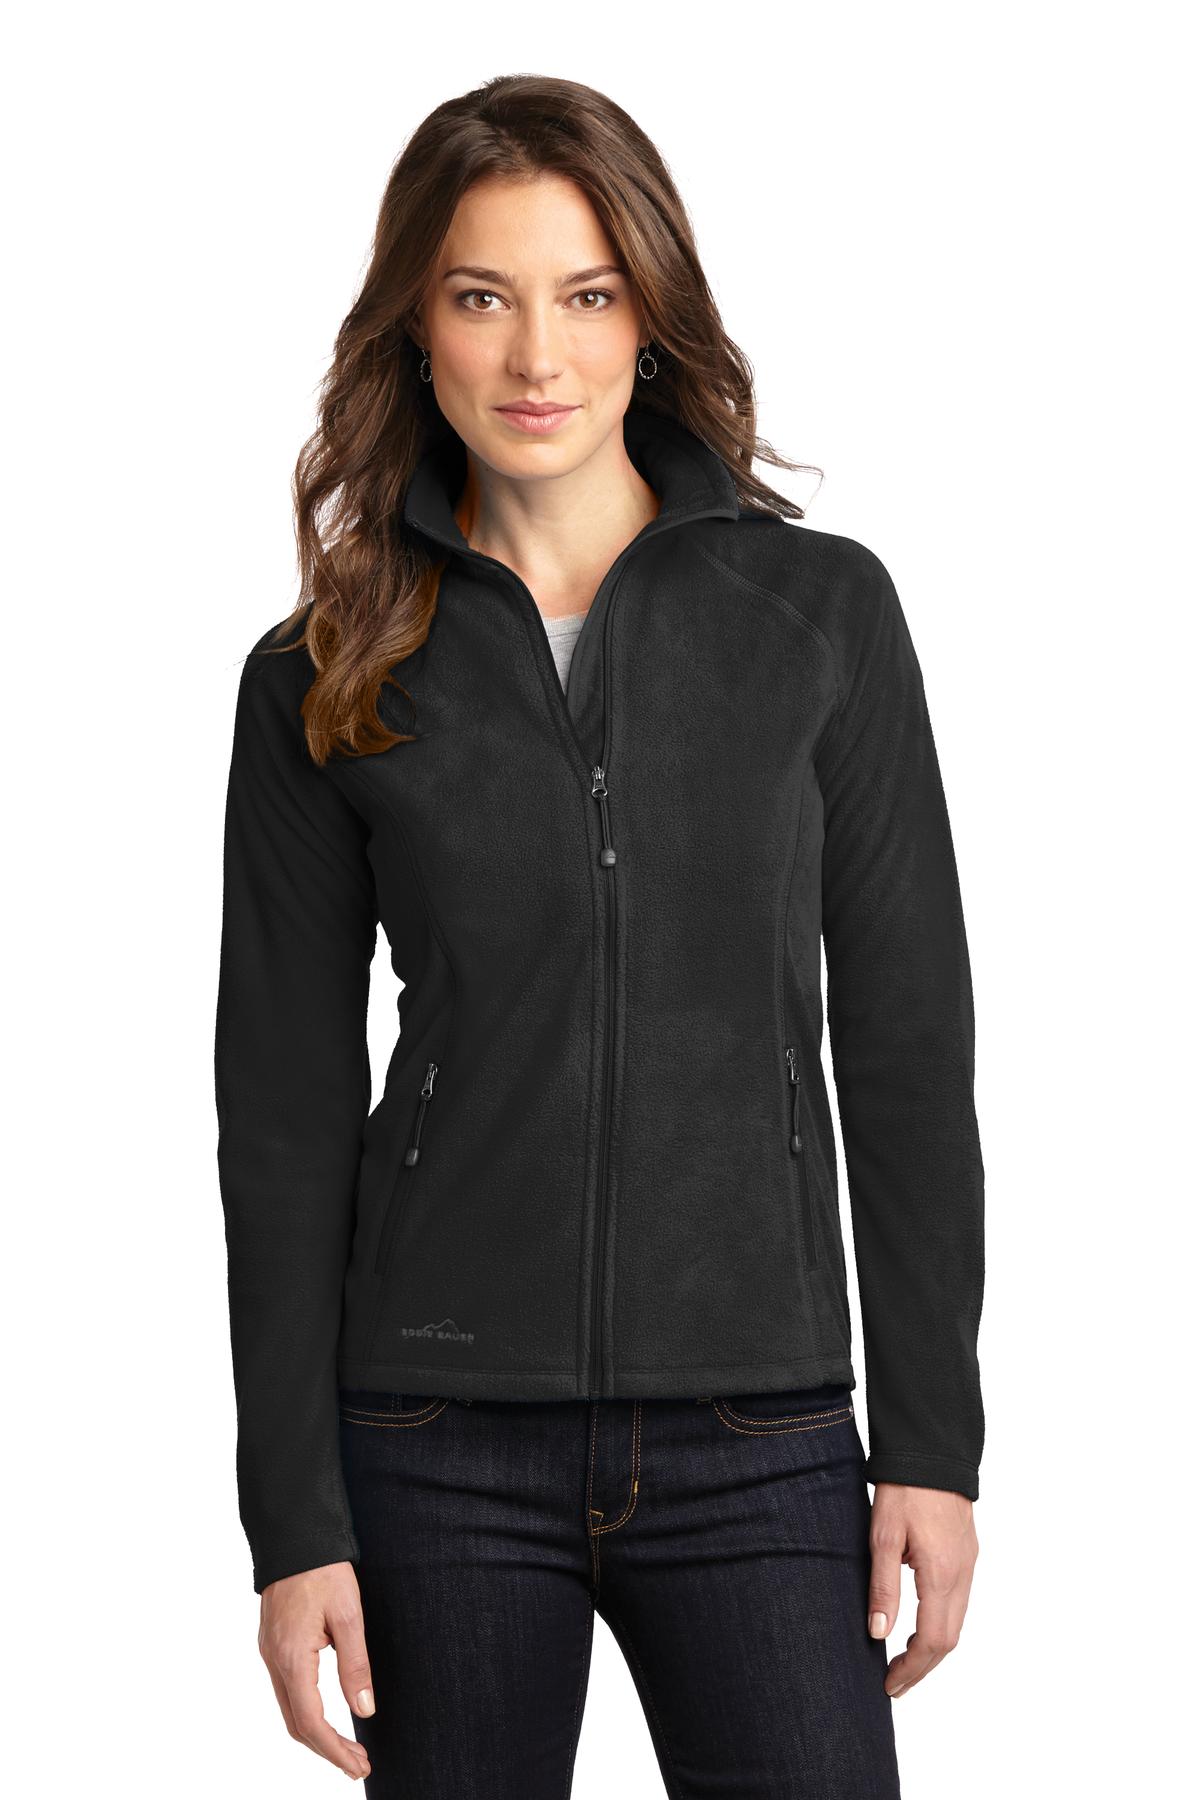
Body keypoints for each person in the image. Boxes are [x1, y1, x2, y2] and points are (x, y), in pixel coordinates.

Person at [214, 73, 984, 1799]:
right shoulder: (323, 671)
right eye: (482, 297)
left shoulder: (819, 617)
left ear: (651, 315)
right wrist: (294, 1521)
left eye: (587, 295)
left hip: (763, 1428)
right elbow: (278, 1120)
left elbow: (911, 1048)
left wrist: (934, 1443)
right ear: (416, 327)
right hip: (434, 1440)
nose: (537, 357)